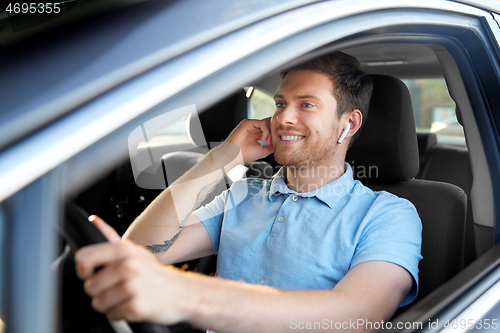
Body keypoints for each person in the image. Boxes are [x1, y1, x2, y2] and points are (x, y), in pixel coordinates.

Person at [75, 51, 422, 333]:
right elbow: (143, 250)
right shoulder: (244, 194)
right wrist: (223, 157)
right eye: (281, 104)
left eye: (307, 105)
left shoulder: (388, 214)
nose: (284, 118)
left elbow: (355, 317)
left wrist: (183, 294)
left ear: (349, 123)